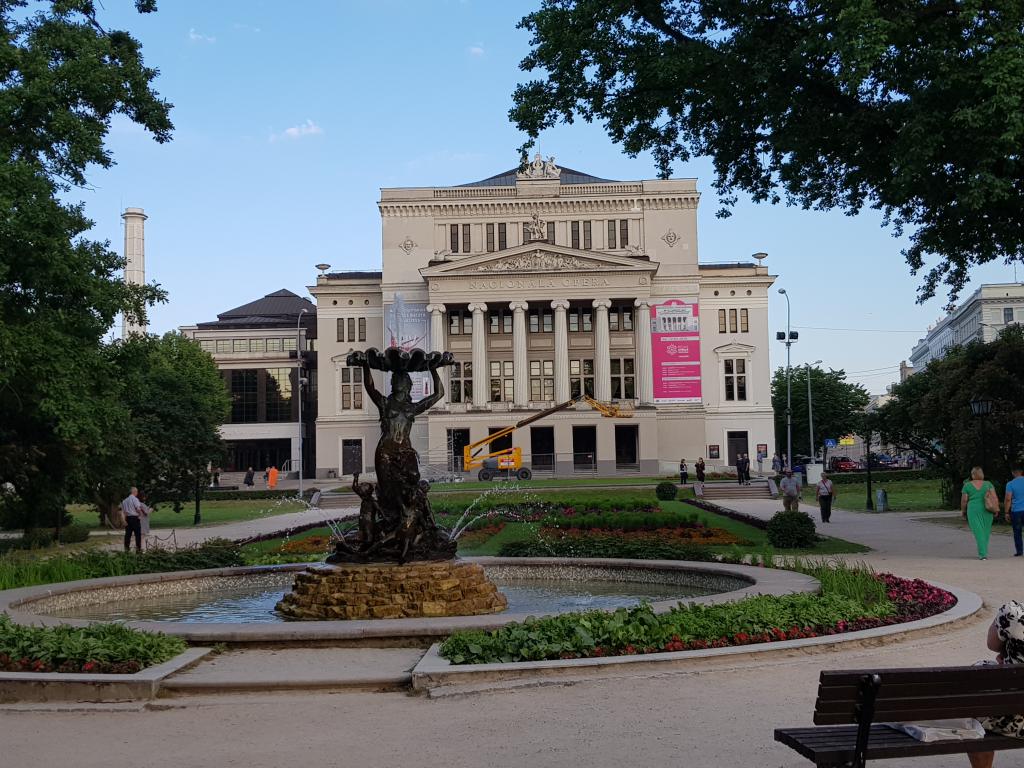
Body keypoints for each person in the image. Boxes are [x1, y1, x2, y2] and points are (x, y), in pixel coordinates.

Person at [968, 601, 1024, 768]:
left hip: (1011, 719)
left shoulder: (1014, 613)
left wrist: (1007, 654)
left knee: (973, 712)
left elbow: (992, 644)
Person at [962, 466, 999, 560]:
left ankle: (983, 554)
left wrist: (963, 511)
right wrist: (996, 509)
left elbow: (964, 500)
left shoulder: (967, 485)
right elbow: (994, 497)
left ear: (973, 475)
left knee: (978, 531)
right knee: (985, 531)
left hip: (973, 510)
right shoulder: (988, 484)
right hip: (987, 509)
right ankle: (983, 552)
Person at [1005, 467, 1024, 557]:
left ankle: (1019, 551)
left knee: (1017, 532)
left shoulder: (1010, 484)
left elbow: (1008, 499)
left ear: (1013, 473)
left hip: (1016, 511)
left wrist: (1006, 512)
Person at [120, 487, 145, 552]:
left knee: (128, 535)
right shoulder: (135, 499)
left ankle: (126, 549)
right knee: (137, 535)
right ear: (135, 492)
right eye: (137, 492)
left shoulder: (124, 500)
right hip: (135, 518)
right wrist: (140, 515)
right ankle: (138, 550)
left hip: (128, 518)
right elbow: (138, 508)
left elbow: (123, 512)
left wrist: (123, 520)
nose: (137, 493)